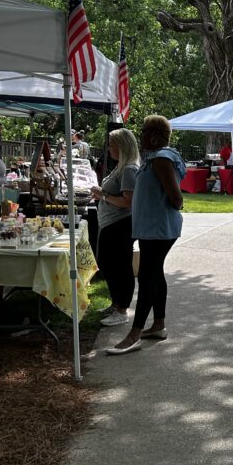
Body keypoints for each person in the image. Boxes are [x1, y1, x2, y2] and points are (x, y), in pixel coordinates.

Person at [107, 115, 185, 355]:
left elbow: (177, 198)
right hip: (152, 229)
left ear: (153, 137)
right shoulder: (153, 159)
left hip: (159, 230)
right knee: (155, 274)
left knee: (148, 276)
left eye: (142, 134)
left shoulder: (161, 160)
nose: (139, 138)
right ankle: (158, 325)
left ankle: (135, 333)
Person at [90, 128, 140, 327]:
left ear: (123, 146)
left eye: (112, 144)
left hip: (121, 224)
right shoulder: (121, 166)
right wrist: (102, 193)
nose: (109, 148)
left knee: (120, 266)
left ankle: (122, 309)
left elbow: (128, 201)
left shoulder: (129, 169)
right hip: (111, 223)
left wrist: (103, 195)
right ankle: (116, 303)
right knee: (107, 264)